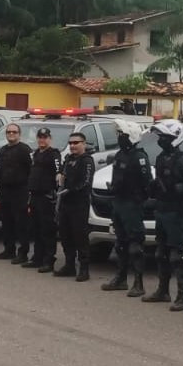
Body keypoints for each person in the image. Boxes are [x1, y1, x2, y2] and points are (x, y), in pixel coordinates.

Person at [144, 119, 183, 312]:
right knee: (160, 253)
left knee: (177, 256)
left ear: (175, 138)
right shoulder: (161, 158)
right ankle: (163, 291)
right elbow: (157, 183)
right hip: (161, 210)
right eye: (160, 137)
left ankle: (182, 297)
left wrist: (182, 205)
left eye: (165, 137)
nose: (161, 141)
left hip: (176, 213)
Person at [101, 122, 152, 297]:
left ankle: (138, 283)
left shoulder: (139, 157)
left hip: (132, 204)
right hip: (118, 202)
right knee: (120, 243)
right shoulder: (119, 155)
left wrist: (138, 200)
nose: (119, 138)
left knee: (135, 244)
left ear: (131, 136)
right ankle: (121, 279)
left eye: (122, 134)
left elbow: (147, 183)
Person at [55, 131, 96, 281]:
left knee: (80, 236)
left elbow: (86, 182)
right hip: (65, 203)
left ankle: (84, 268)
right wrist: (59, 174)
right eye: (71, 143)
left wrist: (70, 190)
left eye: (76, 143)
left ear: (83, 144)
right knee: (65, 235)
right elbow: (62, 172)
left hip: (79, 203)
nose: (72, 146)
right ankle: (69, 265)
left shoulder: (87, 161)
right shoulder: (68, 159)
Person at [23, 126, 62, 272]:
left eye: (45, 137)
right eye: (40, 137)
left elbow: (59, 169)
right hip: (35, 196)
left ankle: (48, 260)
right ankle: (37, 258)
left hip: (47, 197)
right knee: (36, 228)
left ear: (49, 139)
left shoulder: (54, 154)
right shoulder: (36, 154)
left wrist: (59, 174)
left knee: (48, 230)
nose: (42, 140)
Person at [0, 122, 32, 263]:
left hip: (20, 190)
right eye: (9, 132)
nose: (11, 134)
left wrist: (28, 188)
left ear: (19, 134)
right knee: (7, 221)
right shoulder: (3, 150)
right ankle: (9, 250)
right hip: (5, 190)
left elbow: (31, 170)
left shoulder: (24, 150)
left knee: (21, 223)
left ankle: (23, 253)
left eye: (14, 132)